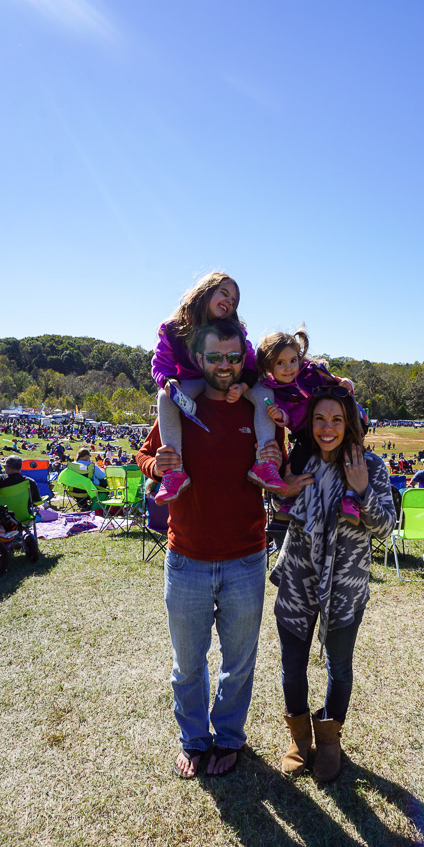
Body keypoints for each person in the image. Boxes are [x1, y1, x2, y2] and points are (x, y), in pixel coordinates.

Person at [136, 319, 285, 780]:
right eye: (215, 357)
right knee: (187, 665)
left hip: (245, 557)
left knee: (239, 663)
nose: (225, 366)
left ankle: (229, 738)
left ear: (246, 359)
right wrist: (156, 466)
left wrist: (277, 457)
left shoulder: (256, 407)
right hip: (187, 560)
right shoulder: (180, 403)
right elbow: (143, 457)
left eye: (233, 357)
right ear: (199, 359)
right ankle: (194, 740)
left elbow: (277, 463)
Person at [270, 387, 396, 782]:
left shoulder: (369, 465)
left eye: (337, 419)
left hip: (345, 582)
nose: (328, 428)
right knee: (292, 667)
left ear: (349, 423)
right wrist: (281, 494)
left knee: (338, 666)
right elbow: (281, 508)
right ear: (310, 423)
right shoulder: (302, 458)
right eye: (320, 419)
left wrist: (361, 489)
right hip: (298, 576)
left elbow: (385, 526)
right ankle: (300, 740)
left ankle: (329, 740)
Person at [151, 272, 286, 504]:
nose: (229, 301)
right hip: (192, 383)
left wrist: (243, 385)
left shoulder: (236, 330)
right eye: (224, 293)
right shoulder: (173, 328)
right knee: (164, 398)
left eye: (233, 300)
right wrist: (169, 382)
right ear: (205, 291)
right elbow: (160, 364)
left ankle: (265, 464)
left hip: (231, 382)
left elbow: (252, 363)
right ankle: (174, 472)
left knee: (265, 393)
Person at [255, 329, 358, 523]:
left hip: (330, 425)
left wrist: (346, 382)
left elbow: (336, 382)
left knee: (349, 458)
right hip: (304, 432)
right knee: (296, 461)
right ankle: (290, 501)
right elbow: (286, 418)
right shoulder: (274, 390)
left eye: (293, 360)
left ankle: (350, 499)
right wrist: (279, 416)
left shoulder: (311, 372)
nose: (289, 368)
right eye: (280, 363)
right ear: (268, 366)